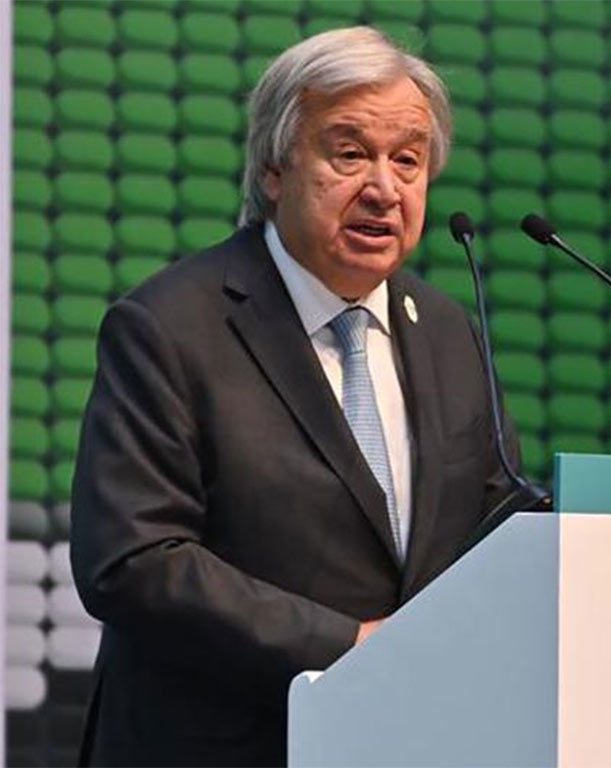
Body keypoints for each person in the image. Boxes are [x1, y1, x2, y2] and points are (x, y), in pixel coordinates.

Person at [70, 27, 520, 767]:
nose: (384, 188)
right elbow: (134, 560)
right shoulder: (170, 327)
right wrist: (348, 646)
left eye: (407, 160)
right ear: (274, 169)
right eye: (350, 153)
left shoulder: (446, 332)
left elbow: (497, 528)